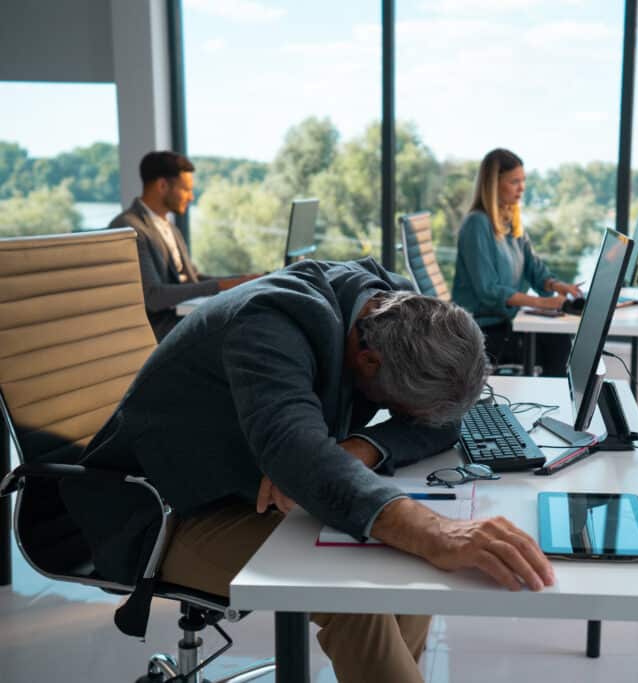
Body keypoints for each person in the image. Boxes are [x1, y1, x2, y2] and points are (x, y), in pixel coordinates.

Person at [60, 257, 555, 682]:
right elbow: (295, 450)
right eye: (401, 405)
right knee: (355, 599)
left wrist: (352, 449)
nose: (408, 417)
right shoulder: (269, 324)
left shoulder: (388, 302)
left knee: (404, 562)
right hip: (157, 508)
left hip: (242, 487)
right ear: (367, 358)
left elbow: (444, 422)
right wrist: (435, 531)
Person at [452, 148, 582, 377]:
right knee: (556, 346)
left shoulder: (510, 220)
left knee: (559, 340)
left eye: (523, 180)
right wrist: (542, 303)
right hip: (483, 331)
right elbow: (489, 290)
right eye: (514, 181)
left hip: (508, 323)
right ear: (494, 184)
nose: (522, 187)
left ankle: (562, 404)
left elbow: (533, 266)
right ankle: (560, 405)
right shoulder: (476, 224)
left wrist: (556, 285)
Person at [109, 151, 259, 341]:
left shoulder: (169, 227)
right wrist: (222, 285)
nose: (191, 197)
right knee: (244, 328)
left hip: (181, 319)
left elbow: (192, 279)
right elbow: (153, 297)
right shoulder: (129, 227)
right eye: (186, 189)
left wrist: (242, 281)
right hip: (158, 330)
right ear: (162, 185)